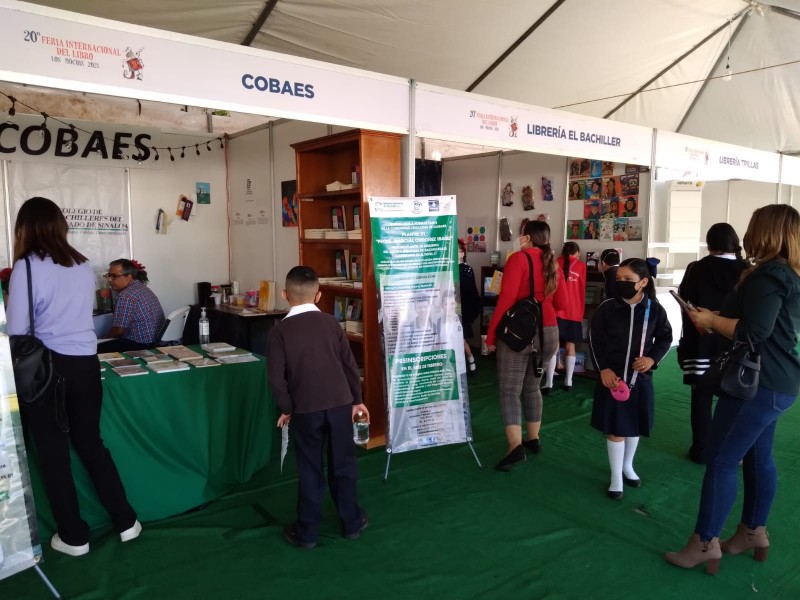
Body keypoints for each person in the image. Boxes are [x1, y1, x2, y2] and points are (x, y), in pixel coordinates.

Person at [665, 205, 800, 574]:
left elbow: (755, 331)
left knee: (722, 460)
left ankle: (705, 542)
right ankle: (751, 531)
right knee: (759, 458)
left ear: (765, 232)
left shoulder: (768, 275)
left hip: (756, 385)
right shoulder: (789, 273)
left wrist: (710, 320)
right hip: (778, 383)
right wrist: (717, 322)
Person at [7, 197, 141, 557]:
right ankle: (126, 520)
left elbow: (18, 328)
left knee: (53, 453)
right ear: (60, 226)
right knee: (91, 444)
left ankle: (74, 536)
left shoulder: (27, 267)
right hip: (85, 365)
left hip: (46, 370)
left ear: (25, 228)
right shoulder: (81, 265)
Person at [267, 266, 369, 548]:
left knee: (311, 468)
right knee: (344, 465)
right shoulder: (331, 324)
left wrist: (287, 408)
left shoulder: (280, 332)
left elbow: (276, 379)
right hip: (340, 404)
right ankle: (351, 523)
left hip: (306, 409)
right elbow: (349, 366)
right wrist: (357, 401)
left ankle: (308, 532)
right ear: (320, 295)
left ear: (284, 294)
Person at [485, 220, 566, 471]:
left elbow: (506, 300)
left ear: (527, 237)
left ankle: (515, 447)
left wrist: (490, 335)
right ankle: (533, 439)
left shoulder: (519, 260)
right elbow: (561, 302)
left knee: (510, 390)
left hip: (520, 332)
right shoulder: (553, 261)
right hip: (550, 330)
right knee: (533, 388)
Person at [589, 258, 672, 500]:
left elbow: (666, 339)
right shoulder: (606, 308)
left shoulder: (654, 310)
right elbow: (595, 340)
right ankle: (616, 476)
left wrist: (652, 359)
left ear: (643, 282)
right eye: (618, 279)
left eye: (628, 280)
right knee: (616, 429)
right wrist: (603, 369)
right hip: (612, 380)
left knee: (633, 426)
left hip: (640, 380)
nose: (621, 283)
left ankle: (628, 466)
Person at [677, 223, 748, 464]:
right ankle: (733, 452)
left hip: (702, 344)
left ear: (708, 244)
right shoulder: (747, 270)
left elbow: (685, 305)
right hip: (736, 345)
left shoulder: (696, 268)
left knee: (701, 397)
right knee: (734, 397)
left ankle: (701, 449)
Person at [544, 242, 586, 393]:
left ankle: (549, 383)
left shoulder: (554, 263)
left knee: (553, 347)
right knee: (570, 346)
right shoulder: (582, 266)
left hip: (555, 311)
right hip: (574, 311)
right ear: (577, 252)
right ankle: (568, 381)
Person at [98, 259, 165, 352]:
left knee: (92, 349)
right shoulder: (142, 288)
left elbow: (118, 331)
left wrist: (101, 339)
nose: (109, 280)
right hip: (155, 341)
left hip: (139, 345)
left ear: (129, 276)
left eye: (114, 276)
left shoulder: (125, 296)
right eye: (108, 275)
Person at [458, 239, 482, 375]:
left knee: (460, 338)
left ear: (463, 254)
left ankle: (471, 359)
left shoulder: (467, 269)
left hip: (462, 309)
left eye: (458, 251)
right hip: (448, 308)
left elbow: (470, 291)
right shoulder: (447, 268)